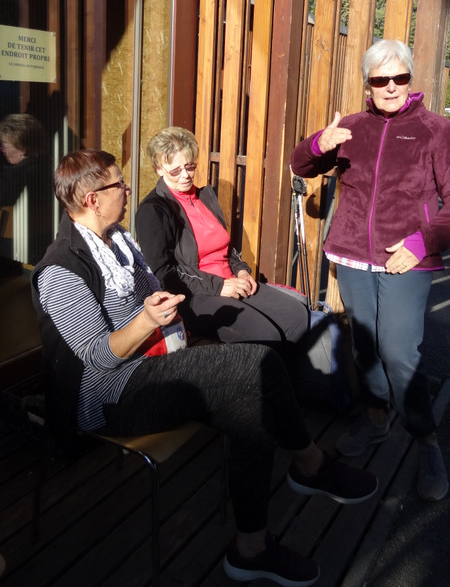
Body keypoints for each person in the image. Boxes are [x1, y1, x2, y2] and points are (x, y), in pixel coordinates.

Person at [31, 149, 378, 587]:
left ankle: (251, 547)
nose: (128, 189)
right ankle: (309, 465)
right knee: (258, 361)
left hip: (156, 362)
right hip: (109, 397)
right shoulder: (60, 270)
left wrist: (163, 310)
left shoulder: (117, 240)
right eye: (119, 184)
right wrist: (147, 320)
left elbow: (152, 291)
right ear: (92, 200)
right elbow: (98, 358)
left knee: (250, 407)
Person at [290, 39, 449, 502]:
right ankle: (376, 417)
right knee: (365, 345)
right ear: (368, 85)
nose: (392, 86)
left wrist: (422, 242)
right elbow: (302, 164)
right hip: (353, 255)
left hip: (407, 258)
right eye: (381, 79)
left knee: (399, 351)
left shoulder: (436, 130)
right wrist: (319, 143)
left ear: (410, 80)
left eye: (400, 77)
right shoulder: (353, 128)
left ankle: (426, 439)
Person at [135, 126, 313, 405]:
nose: (185, 175)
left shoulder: (205, 195)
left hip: (231, 280)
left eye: (190, 166)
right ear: (159, 169)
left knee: (296, 315)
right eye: (175, 170)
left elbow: (226, 247)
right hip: (194, 295)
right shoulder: (154, 210)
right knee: (265, 334)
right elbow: (164, 273)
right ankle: (265, 404)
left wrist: (241, 269)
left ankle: (288, 392)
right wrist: (220, 286)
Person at [0, 113, 52, 266]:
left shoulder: (21, 175)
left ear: (21, 148)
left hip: (17, 254)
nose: (2, 149)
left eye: (4, 145)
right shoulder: (48, 167)